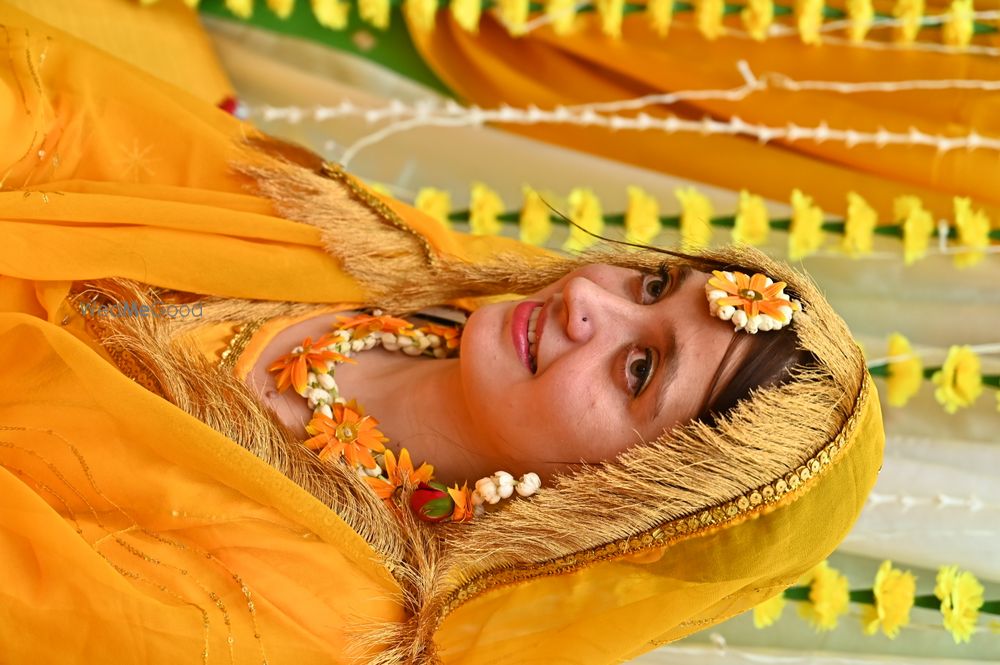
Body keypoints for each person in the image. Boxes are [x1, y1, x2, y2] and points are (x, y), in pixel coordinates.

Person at [0, 2, 884, 663]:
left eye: (640, 369)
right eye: (652, 281)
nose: (589, 299)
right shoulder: (408, 267)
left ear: (630, 506)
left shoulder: (324, 614)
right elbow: (78, 126)